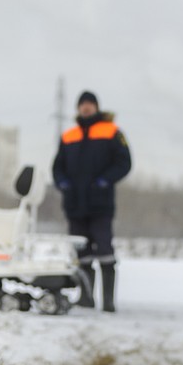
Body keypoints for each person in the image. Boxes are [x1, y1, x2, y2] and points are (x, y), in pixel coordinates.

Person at [52, 91, 132, 312]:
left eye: (90, 104)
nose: (86, 108)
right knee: (82, 254)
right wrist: (62, 183)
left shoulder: (112, 132)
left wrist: (105, 180)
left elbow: (124, 163)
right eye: (82, 105)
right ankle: (86, 298)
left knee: (105, 251)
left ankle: (108, 301)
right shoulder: (69, 136)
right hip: (75, 205)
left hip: (100, 204)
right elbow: (57, 168)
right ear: (78, 108)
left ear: (97, 107)